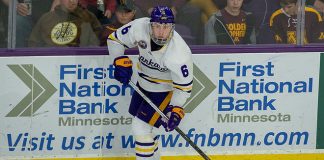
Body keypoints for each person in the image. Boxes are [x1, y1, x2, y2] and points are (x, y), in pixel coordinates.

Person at [107, 6, 193, 159]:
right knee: (146, 130)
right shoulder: (139, 26)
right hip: (142, 85)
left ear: (172, 27)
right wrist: (118, 59)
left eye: (165, 26)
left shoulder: (180, 54)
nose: (161, 31)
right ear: (150, 24)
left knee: (140, 128)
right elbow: (115, 39)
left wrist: (175, 108)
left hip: (163, 91)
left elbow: (184, 88)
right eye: (157, 26)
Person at [28, 0, 102, 47]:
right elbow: (33, 43)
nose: (72, 1)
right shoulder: (46, 18)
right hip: (50, 63)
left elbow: (97, 42)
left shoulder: (88, 17)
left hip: (80, 64)